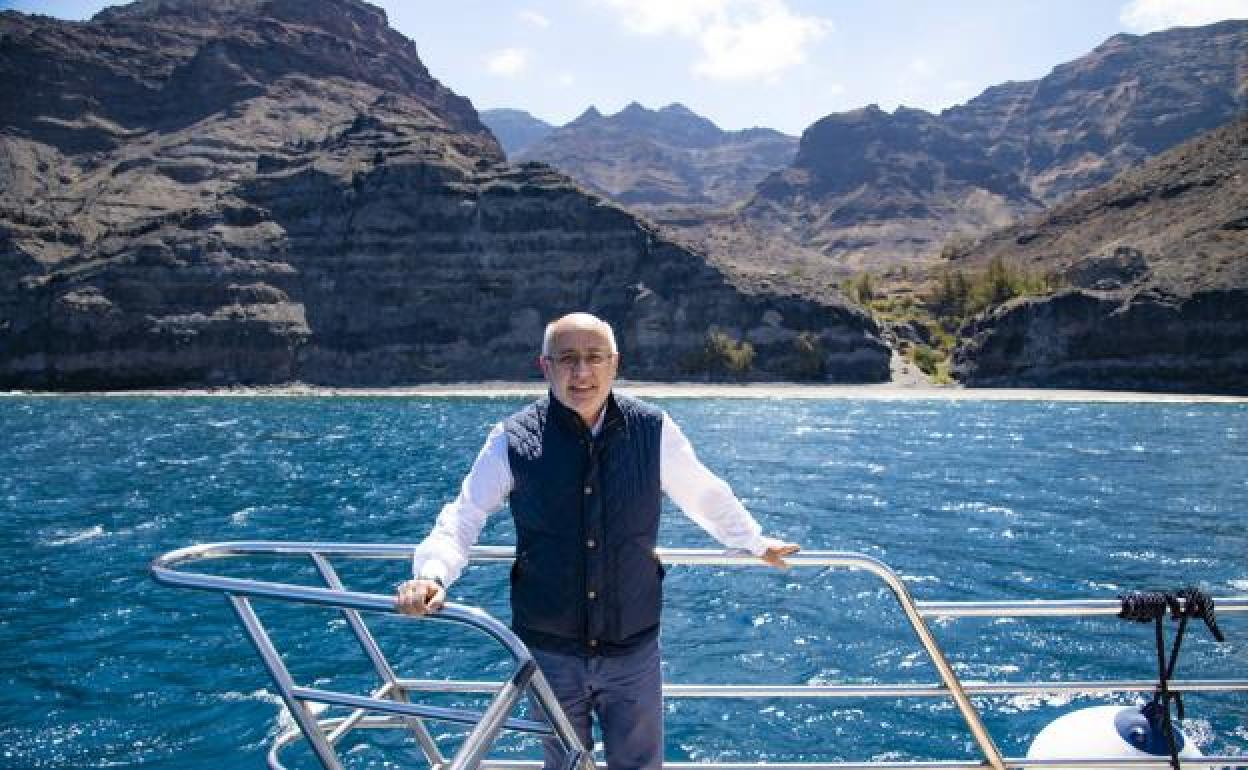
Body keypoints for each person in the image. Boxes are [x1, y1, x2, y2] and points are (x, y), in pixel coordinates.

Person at [396, 312, 799, 770]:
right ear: (545, 366)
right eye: (567, 359)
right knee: (564, 763)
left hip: (633, 649)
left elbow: (703, 493)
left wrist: (753, 540)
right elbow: (463, 515)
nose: (581, 372)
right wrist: (430, 575)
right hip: (549, 651)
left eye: (593, 358)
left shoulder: (653, 429)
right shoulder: (511, 440)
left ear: (615, 364)